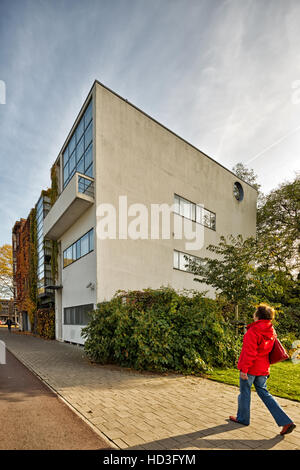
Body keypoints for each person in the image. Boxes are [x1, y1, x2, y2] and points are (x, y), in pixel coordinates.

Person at [229, 303, 296, 436]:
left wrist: (244, 370)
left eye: (255, 312)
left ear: (258, 316)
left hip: (251, 368)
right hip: (263, 368)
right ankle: (286, 421)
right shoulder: (271, 330)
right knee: (265, 393)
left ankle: (243, 419)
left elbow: (250, 353)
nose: (253, 314)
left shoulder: (253, 331)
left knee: (245, 393)